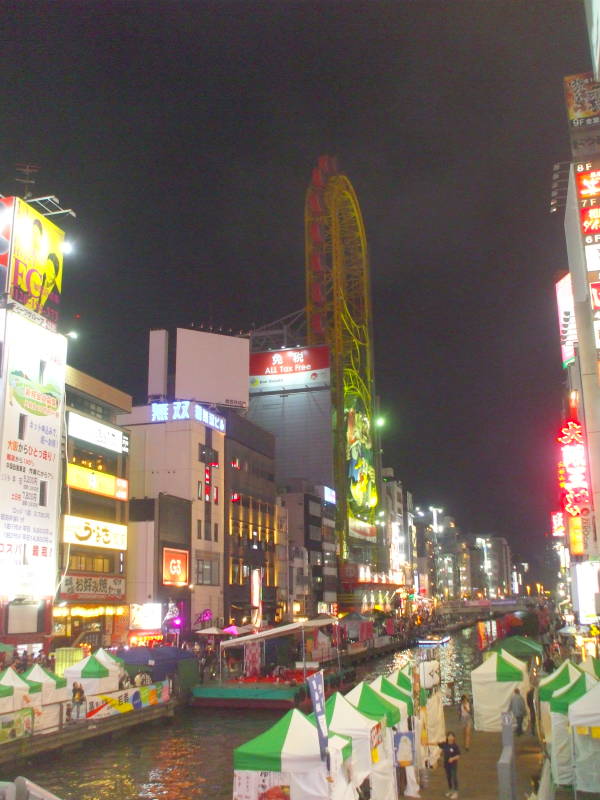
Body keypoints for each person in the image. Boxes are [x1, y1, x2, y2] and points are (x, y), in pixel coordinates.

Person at [436, 731, 461, 799]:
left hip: (453, 765)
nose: (450, 737)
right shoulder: (445, 744)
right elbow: (437, 744)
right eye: (449, 736)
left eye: (452, 736)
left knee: (454, 777)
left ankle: (456, 792)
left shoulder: (455, 746)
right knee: (448, 777)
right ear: (447, 737)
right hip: (446, 764)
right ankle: (450, 790)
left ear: (454, 738)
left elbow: (458, 755)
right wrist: (427, 743)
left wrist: (452, 758)